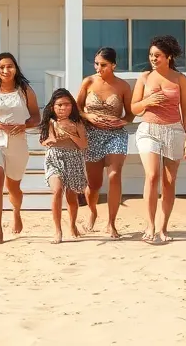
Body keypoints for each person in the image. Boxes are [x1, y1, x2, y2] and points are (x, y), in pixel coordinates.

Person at [130, 34, 186, 244]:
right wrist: (147, 102)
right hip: (148, 129)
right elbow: (134, 108)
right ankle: (150, 226)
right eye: (151, 55)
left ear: (169, 56)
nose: (153, 59)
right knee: (152, 175)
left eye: (157, 55)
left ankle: (163, 228)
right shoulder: (145, 77)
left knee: (169, 181)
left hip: (174, 130)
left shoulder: (180, 79)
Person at [0, 53, 40, 245]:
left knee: (13, 188)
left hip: (17, 143)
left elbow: (36, 118)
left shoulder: (25, 90)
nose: (6, 70)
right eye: (2, 67)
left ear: (15, 69)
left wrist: (24, 125)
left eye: (9, 66)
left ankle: (16, 211)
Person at [77, 47, 132, 239]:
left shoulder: (123, 86)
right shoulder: (88, 82)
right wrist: (88, 116)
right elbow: (76, 108)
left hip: (115, 134)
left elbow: (130, 114)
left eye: (103, 65)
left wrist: (122, 122)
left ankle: (111, 223)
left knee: (114, 175)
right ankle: (92, 211)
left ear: (113, 65)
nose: (98, 68)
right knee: (94, 184)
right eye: (96, 64)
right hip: (92, 135)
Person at [40, 88, 89, 244]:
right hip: (54, 157)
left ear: (72, 106)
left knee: (71, 196)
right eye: (59, 105)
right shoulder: (50, 122)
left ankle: (72, 224)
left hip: (73, 158)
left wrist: (70, 134)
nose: (63, 108)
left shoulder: (77, 123)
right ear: (53, 107)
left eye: (67, 104)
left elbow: (83, 145)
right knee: (57, 190)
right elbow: (45, 140)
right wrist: (50, 140)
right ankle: (58, 230)